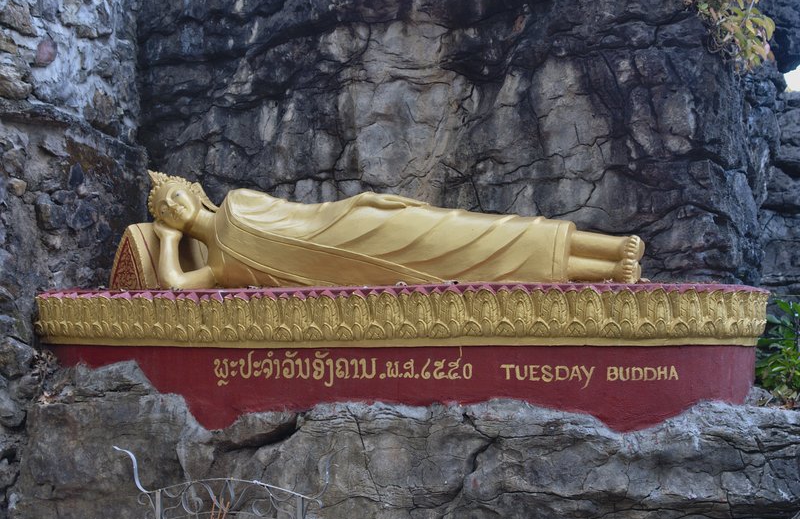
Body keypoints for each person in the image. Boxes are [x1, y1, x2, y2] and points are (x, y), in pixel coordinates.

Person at [147, 171, 644, 289]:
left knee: (462, 230)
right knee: (475, 272)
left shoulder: (238, 202)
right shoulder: (217, 268)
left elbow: (303, 213)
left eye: (175, 195)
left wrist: (360, 202)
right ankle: (603, 274)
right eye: (164, 211)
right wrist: (169, 242)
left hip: (348, 227)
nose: (172, 206)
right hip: (343, 275)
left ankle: (611, 247)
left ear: (194, 192)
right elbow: (175, 285)